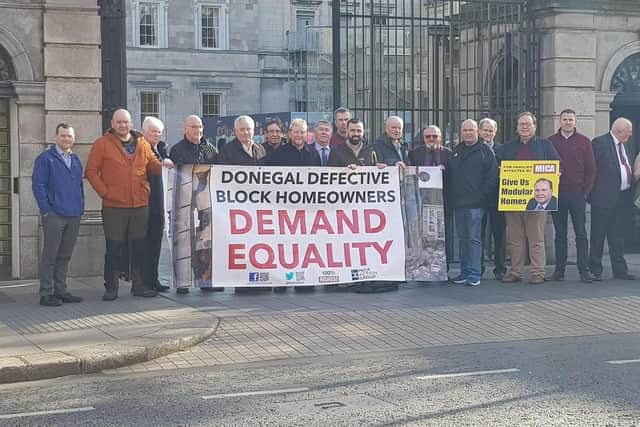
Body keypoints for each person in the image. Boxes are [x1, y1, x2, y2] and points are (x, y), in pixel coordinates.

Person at [85, 109, 170, 300]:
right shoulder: (102, 144)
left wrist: (165, 165)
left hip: (140, 204)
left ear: (131, 123)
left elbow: (153, 166)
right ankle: (111, 286)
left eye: (126, 122)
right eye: (119, 122)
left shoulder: (141, 143)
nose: (123, 125)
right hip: (114, 206)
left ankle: (138, 285)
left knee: (139, 246)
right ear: (113, 123)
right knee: (114, 246)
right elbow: (91, 171)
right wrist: (106, 193)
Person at [497, 112, 561, 285]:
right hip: (513, 201)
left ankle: (538, 273)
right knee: (515, 240)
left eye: (528, 124)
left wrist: (556, 173)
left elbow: (557, 164)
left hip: (537, 203)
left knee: (537, 239)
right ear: (517, 128)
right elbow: (497, 166)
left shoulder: (545, 145)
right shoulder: (507, 147)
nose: (524, 127)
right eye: (521, 124)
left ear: (534, 126)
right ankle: (516, 272)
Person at [31, 123, 84, 306]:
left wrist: (80, 207)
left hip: (74, 214)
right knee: (50, 255)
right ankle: (46, 293)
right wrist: (46, 210)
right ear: (56, 137)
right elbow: (38, 186)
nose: (66, 139)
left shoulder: (76, 159)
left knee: (65, 255)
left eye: (69, 136)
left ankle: (61, 290)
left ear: (73, 138)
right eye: (63, 136)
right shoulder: (45, 159)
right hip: (55, 215)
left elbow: (79, 186)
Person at [267, 118, 321, 293]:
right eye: (296, 132)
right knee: (284, 245)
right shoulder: (279, 154)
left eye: (302, 132)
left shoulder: (313, 153)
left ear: (307, 134)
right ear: (290, 133)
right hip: (284, 209)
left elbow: (321, 182)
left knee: (305, 245)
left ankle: (304, 280)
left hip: (307, 209)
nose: (299, 135)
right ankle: (282, 280)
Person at [218, 115, 268, 292]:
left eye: (249, 129)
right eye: (242, 129)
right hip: (238, 207)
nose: (246, 132)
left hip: (259, 207)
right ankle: (242, 282)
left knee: (259, 244)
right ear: (235, 131)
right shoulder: (227, 151)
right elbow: (222, 178)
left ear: (254, 130)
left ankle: (260, 279)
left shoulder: (261, 149)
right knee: (241, 245)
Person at [169, 115, 219, 294]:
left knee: (206, 241)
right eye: (193, 127)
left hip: (206, 203)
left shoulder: (211, 149)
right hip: (185, 204)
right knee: (184, 240)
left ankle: (205, 279)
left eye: (199, 127)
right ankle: (183, 282)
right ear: (185, 129)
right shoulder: (176, 150)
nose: (197, 130)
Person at [547, 109, 596, 283]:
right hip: (557, 194)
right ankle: (559, 271)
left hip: (577, 194)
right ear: (560, 122)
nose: (568, 122)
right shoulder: (550, 142)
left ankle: (584, 270)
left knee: (581, 234)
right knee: (560, 234)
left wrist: (585, 193)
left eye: (571, 120)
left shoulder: (584, 142)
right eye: (565, 119)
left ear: (575, 122)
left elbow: (591, 170)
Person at [447, 119, 497, 287]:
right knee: (462, 239)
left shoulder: (485, 151)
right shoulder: (456, 150)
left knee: (474, 239)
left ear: (477, 131)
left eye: (471, 130)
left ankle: (474, 274)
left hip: (476, 205)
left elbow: (491, 179)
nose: (468, 133)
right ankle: (464, 272)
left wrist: (480, 198)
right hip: (459, 204)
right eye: (465, 130)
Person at [588, 117, 636, 281]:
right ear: (619, 130)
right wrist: (591, 194)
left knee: (617, 236)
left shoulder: (624, 145)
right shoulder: (600, 143)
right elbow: (591, 168)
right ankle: (595, 270)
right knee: (598, 235)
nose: (630, 136)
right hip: (602, 199)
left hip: (621, 198)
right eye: (628, 133)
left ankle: (620, 270)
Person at [408, 126, 454, 271]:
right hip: (421, 201)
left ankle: (443, 268)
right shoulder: (415, 153)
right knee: (422, 235)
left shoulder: (448, 154)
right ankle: (423, 266)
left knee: (444, 234)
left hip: (443, 201)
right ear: (423, 138)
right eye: (428, 136)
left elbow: (455, 175)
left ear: (440, 137)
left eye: (435, 136)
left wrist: (445, 171)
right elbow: (410, 174)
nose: (431, 139)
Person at [141, 116, 173, 293]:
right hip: (146, 202)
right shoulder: (141, 148)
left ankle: (154, 279)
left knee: (155, 244)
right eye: (153, 131)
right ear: (144, 131)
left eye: (159, 132)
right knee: (145, 245)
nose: (156, 135)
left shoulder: (160, 148)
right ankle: (144, 282)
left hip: (159, 204)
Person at [478, 118, 506, 280]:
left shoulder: (502, 150)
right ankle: (479, 267)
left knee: (499, 234)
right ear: (480, 131)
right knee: (478, 234)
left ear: (495, 132)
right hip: (480, 197)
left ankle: (500, 268)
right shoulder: (476, 149)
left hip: (499, 196)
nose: (488, 133)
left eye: (491, 130)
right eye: (485, 130)